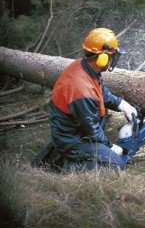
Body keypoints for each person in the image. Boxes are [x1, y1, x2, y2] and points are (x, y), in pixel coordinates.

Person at [49, 27, 137, 171]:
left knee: (112, 155)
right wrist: (110, 146)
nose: (112, 61)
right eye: (111, 57)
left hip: (71, 130)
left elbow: (100, 92)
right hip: (73, 140)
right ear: (103, 58)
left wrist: (121, 104)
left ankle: (64, 155)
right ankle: (67, 165)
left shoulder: (83, 67)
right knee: (116, 165)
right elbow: (90, 129)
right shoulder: (81, 89)